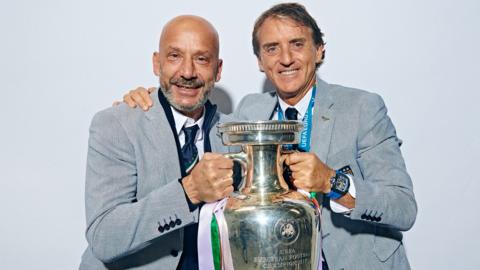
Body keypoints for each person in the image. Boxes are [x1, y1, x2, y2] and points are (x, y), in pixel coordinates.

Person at [121, 3, 417, 269]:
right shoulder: (249, 111)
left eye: (297, 44)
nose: (285, 58)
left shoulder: (363, 108)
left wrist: (332, 181)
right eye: (272, 48)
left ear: (319, 50)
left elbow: (403, 208)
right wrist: (152, 100)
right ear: (260, 61)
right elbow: (190, 109)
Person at [79, 15, 238, 269]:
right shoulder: (116, 125)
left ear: (217, 70)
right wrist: (188, 193)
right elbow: (104, 236)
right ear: (157, 64)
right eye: (175, 56)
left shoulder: (236, 133)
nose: (187, 72)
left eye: (201, 59)